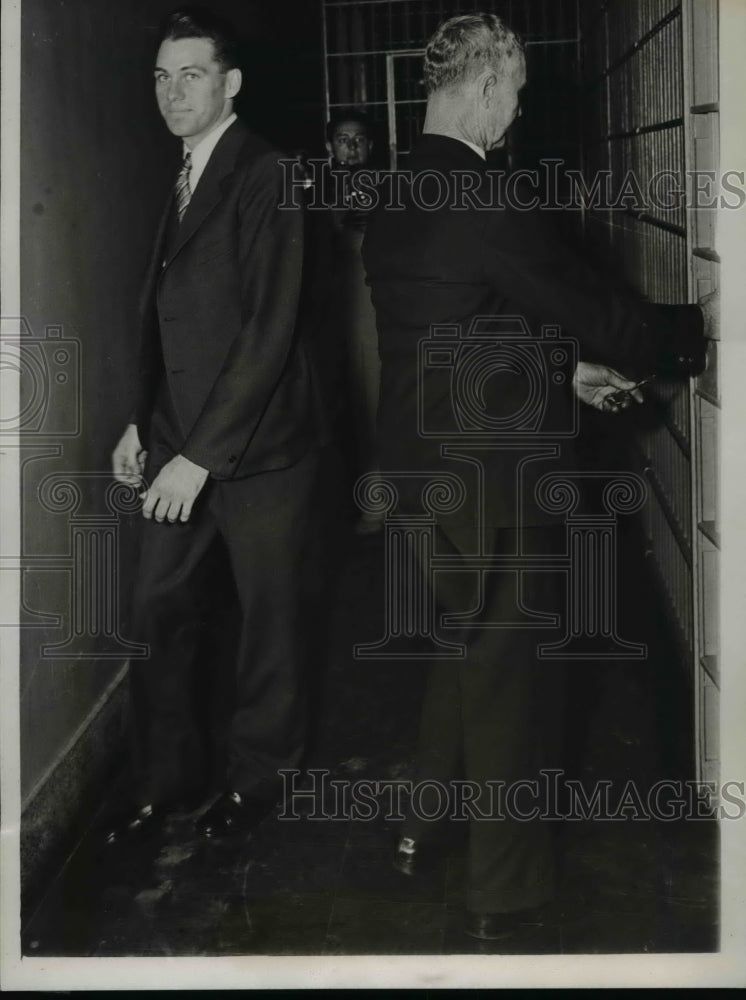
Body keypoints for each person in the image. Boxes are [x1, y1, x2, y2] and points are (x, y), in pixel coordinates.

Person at [362, 12, 710, 940]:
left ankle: (417, 827)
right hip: (493, 489)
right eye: (513, 95)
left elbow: (459, 333)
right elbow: (592, 305)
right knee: (513, 687)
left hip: (418, 480)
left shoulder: (398, 194)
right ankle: (505, 898)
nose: (515, 115)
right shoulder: (485, 194)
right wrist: (694, 327)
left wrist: (561, 372)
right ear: (482, 87)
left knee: (463, 650)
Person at [109, 6, 321, 842]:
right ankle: (166, 783)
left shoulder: (266, 172)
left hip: (262, 452)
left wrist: (195, 456)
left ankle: (259, 789)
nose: (172, 91)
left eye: (190, 74)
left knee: (270, 630)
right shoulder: (185, 171)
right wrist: (141, 423)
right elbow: (171, 319)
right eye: (162, 76)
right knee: (158, 611)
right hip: (177, 441)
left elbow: (267, 332)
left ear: (230, 83)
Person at [323, 110, 384, 534]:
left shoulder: (388, 189)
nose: (352, 146)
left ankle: (377, 499)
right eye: (343, 140)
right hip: (327, 314)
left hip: (370, 312)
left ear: (372, 147)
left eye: (359, 139)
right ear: (329, 147)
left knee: (374, 400)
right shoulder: (310, 191)